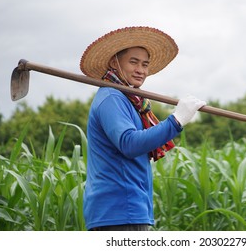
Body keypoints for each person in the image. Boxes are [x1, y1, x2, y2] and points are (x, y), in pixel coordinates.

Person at [80, 26, 206, 231]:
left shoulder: (130, 101)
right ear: (114, 62)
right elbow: (129, 143)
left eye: (145, 64)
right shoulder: (112, 97)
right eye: (133, 62)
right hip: (119, 212)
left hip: (128, 211)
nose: (141, 70)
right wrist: (176, 120)